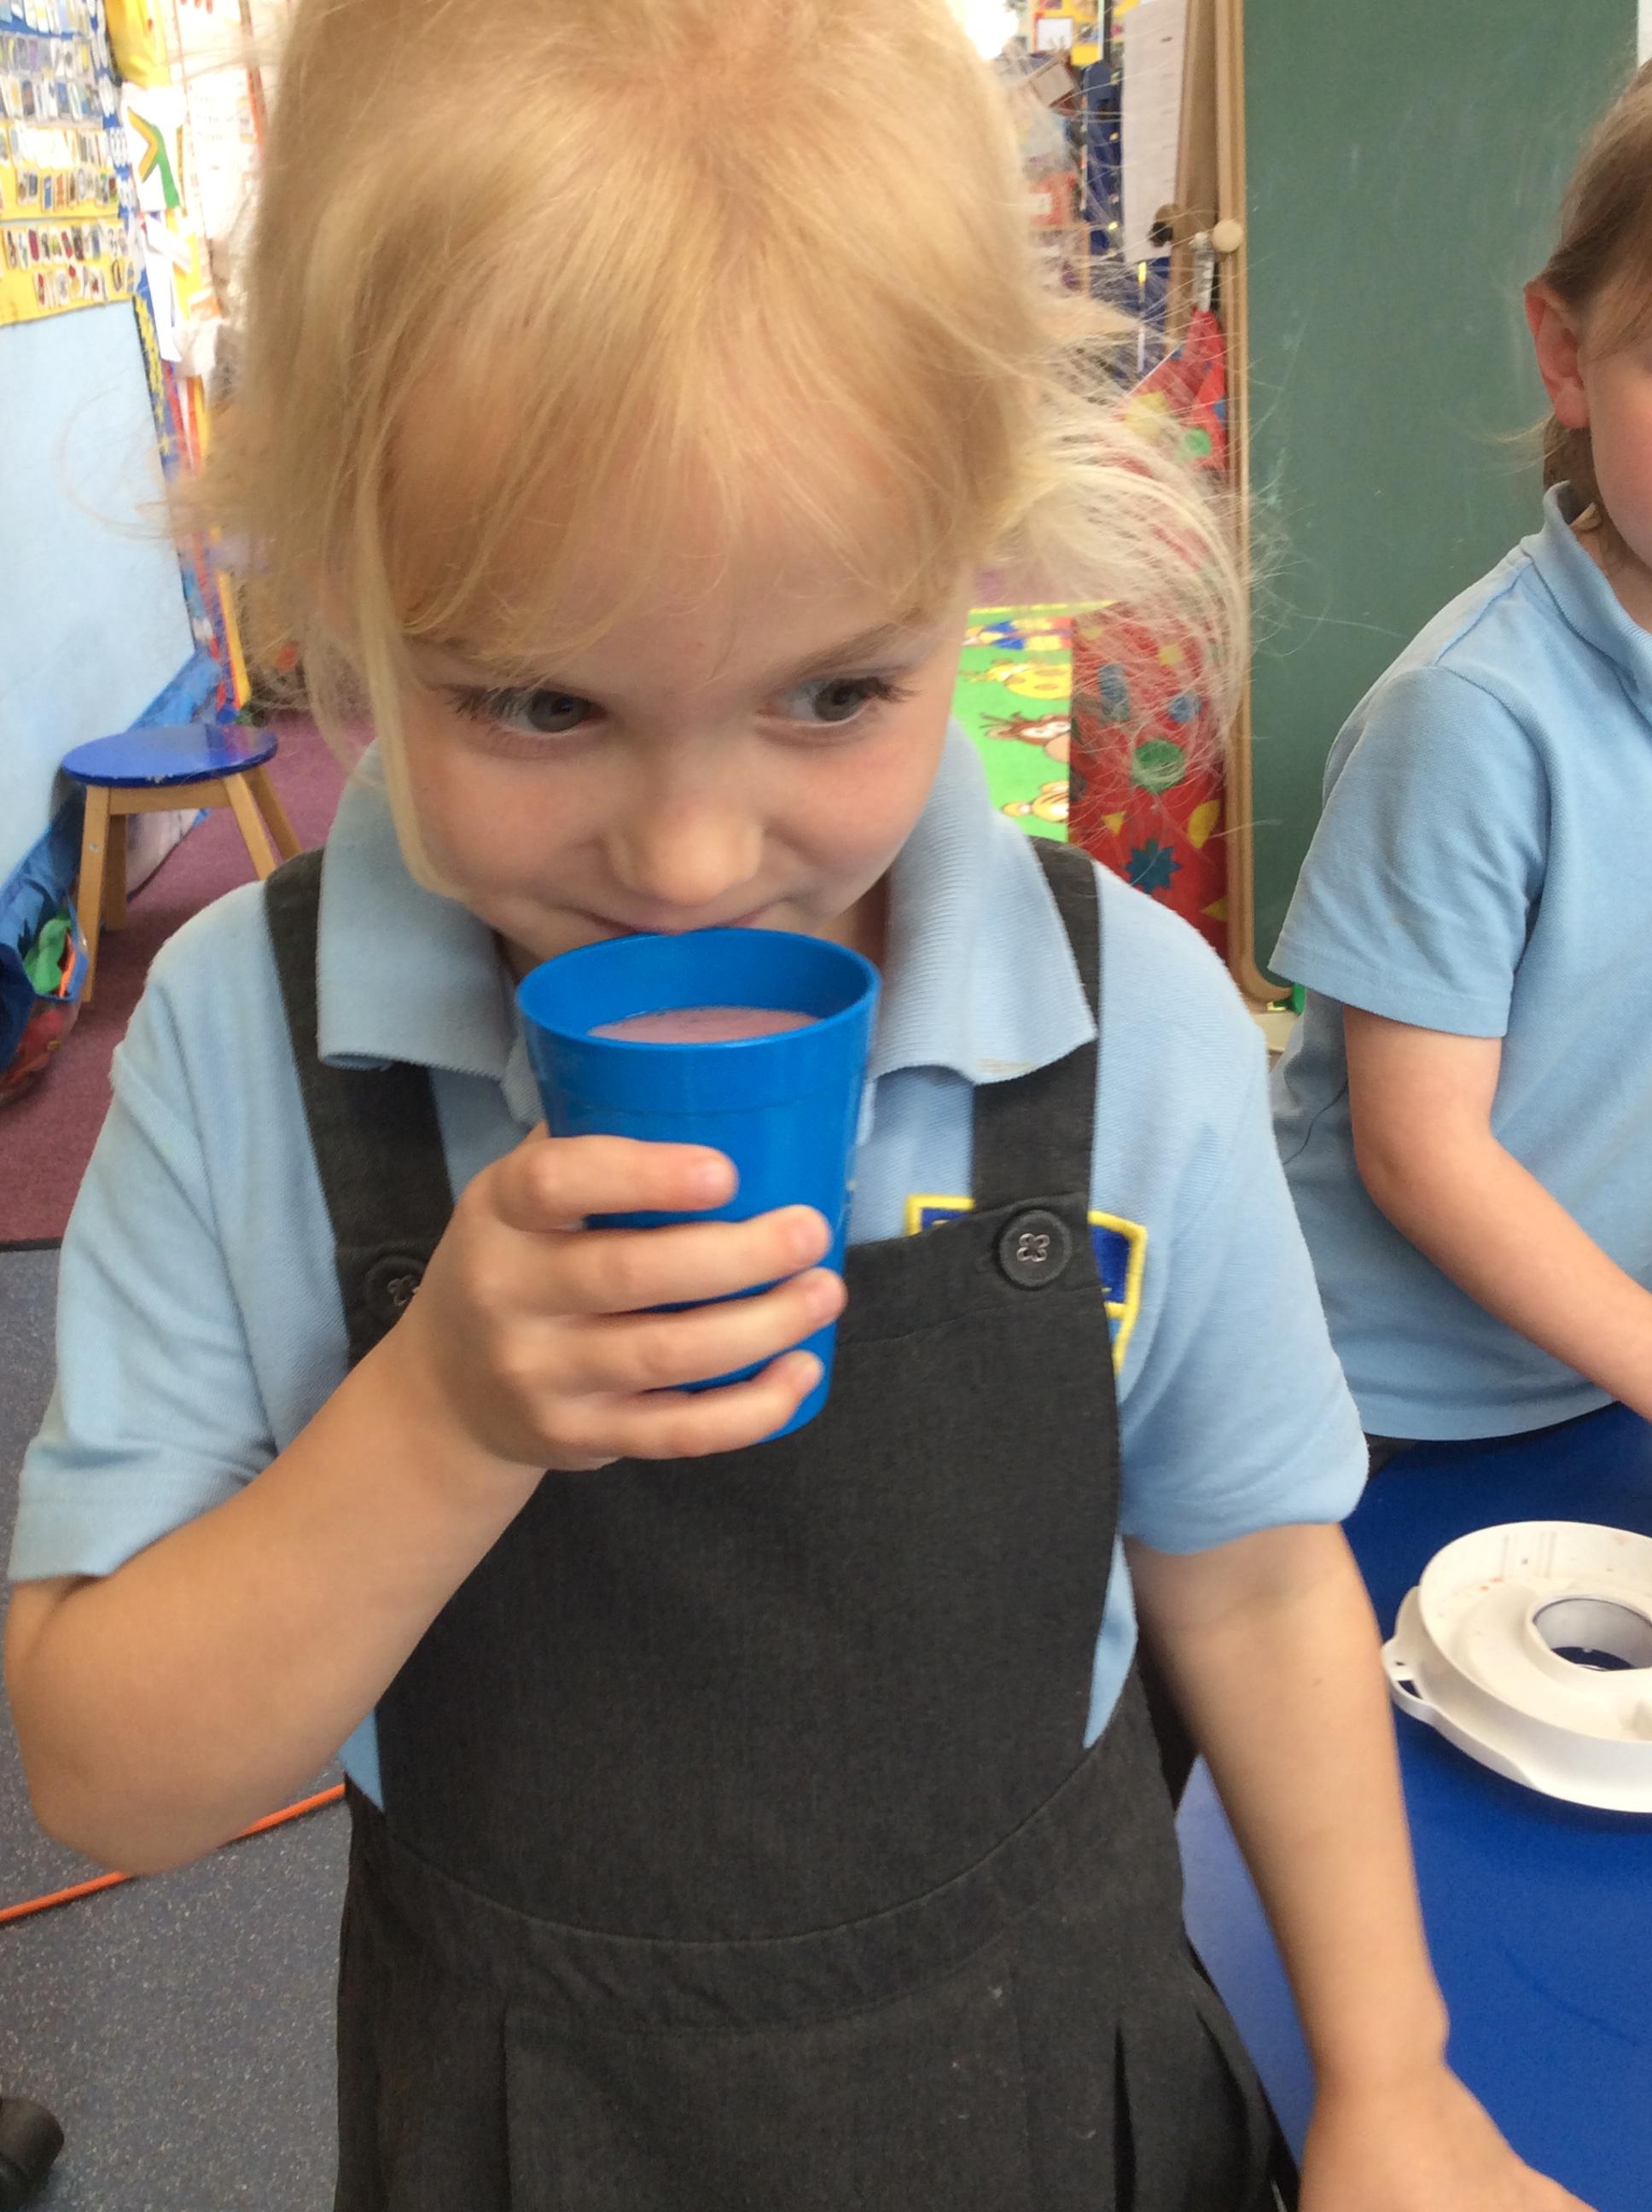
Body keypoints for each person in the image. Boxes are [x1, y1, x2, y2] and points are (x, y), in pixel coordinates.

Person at [5, 3, 1584, 2207]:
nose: (685, 861)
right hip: (533, 2118)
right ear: (342, 598)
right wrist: (440, 1418)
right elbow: (111, 1778)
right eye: (535, 700)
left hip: (1053, 2075)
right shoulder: (240, 1051)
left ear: (982, 574)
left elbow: (1248, 1577)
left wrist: (1391, 2077)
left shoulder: (1125, 1023)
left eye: (833, 689)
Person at [1272, 63, 1652, 1473]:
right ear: (1567, 354)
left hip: (1597, 1366)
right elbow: (1420, 1154)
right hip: (1387, 1408)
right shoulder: (1473, 717)